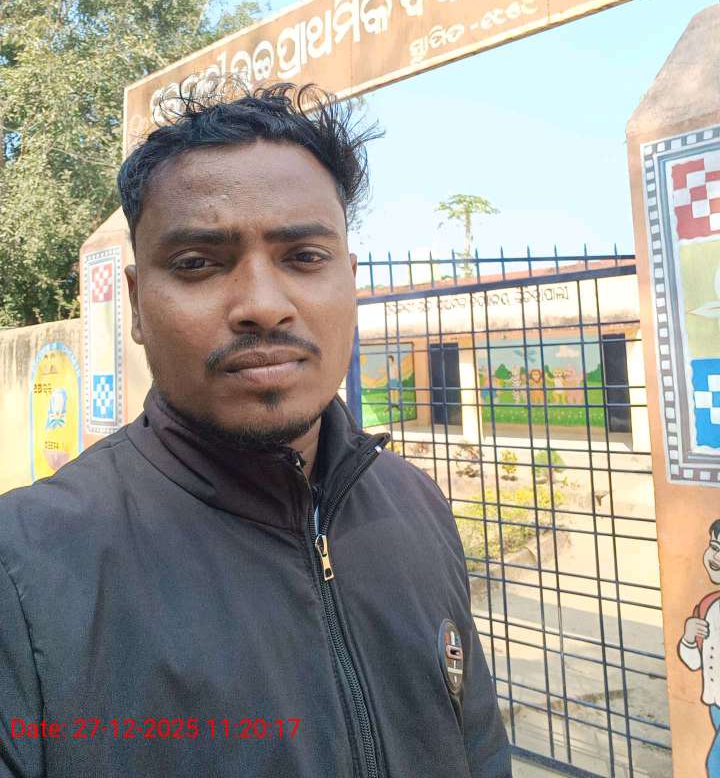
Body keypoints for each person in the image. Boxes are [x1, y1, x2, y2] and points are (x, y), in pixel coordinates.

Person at [0, 82, 511, 778]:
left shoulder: (417, 504)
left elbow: (478, 750)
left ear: (350, 282)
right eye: (197, 264)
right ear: (137, 305)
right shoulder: (26, 570)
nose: (264, 306)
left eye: (304, 257)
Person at [678, 518, 720, 778]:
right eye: (714, 547)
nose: (716, 557)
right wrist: (688, 638)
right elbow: (696, 662)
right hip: (715, 702)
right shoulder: (708, 605)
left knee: (716, 763)